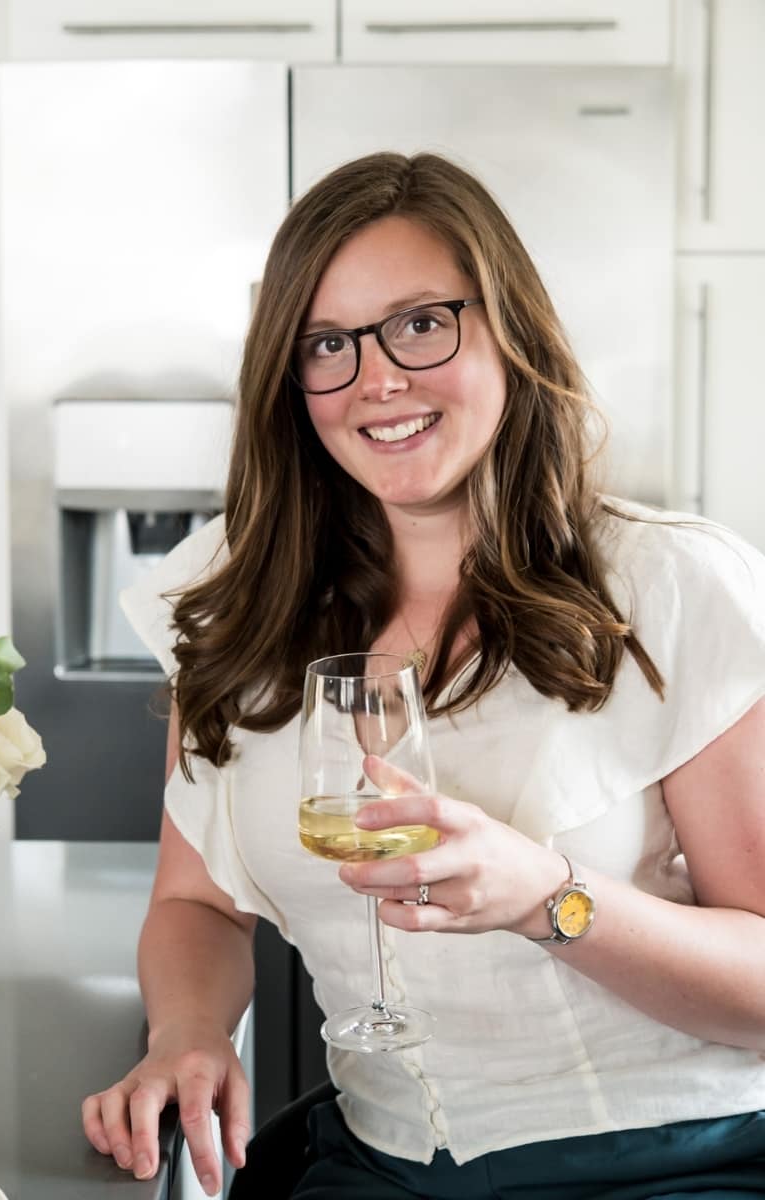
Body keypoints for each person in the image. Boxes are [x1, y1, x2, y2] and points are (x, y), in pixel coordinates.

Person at [81, 151, 765, 1199]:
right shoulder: (228, 603)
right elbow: (197, 903)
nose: (378, 380)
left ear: (508, 327)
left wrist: (550, 897)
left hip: (672, 1164)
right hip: (377, 1166)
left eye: (420, 324)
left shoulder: (670, 587)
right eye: (328, 345)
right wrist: (185, 1031)